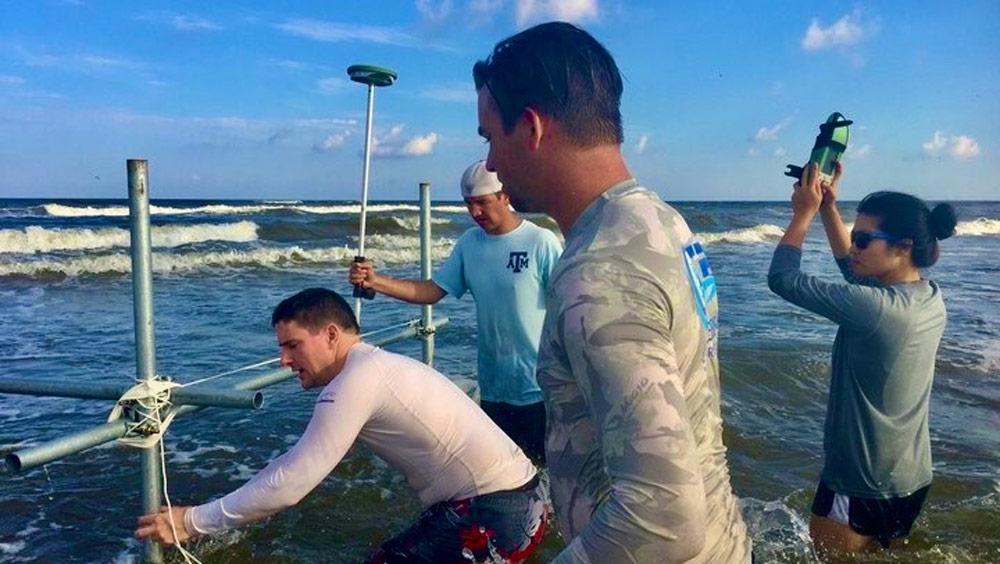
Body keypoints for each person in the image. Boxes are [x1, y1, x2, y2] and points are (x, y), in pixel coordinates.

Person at [473, 22, 751, 563]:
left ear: (530, 128)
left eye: (489, 137)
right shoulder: (661, 222)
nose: (490, 165)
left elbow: (662, 516)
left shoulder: (600, 273)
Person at [134, 288, 547, 564]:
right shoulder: (375, 366)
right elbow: (297, 462)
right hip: (522, 502)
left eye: (292, 345)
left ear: (330, 335)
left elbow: (292, 483)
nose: (283, 360)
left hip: (493, 514)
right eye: (281, 348)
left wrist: (190, 522)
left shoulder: (355, 382)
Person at [768, 162, 956, 554]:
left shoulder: (874, 309)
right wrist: (827, 209)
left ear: (903, 247)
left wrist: (801, 213)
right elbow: (856, 277)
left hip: (860, 483)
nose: (854, 247)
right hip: (911, 478)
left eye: (864, 240)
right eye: (854, 237)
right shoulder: (929, 297)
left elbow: (783, 279)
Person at [349, 160, 562, 464]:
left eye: (482, 203)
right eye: (468, 204)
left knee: (548, 480)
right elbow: (432, 291)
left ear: (506, 196)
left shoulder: (540, 242)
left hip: (540, 390)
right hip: (493, 386)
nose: (474, 213)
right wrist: (376, 281)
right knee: (506, 480)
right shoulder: (469, 244)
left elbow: (569, 308)